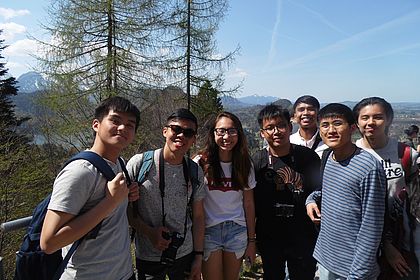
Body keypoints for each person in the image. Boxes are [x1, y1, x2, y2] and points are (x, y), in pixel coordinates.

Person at [40, 96, 141, 280]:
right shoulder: (79, 172)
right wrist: (110, 202)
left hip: (123, 273)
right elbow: (49, 242)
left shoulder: (120, 163)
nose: (122, 128)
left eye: (130, 125)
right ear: (96, 125)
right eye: (115, 120)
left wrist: (127, 195)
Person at [306, 103, 387, 280]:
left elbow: (372, 227)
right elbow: (326, 190)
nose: (331, 130)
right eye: (325, 125)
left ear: (352, 128)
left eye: (337, 123)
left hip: (353, 268)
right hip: (326, 258)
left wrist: (358, 274)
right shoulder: (328, 156)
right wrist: (311, 200)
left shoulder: (368, 167)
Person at [126, 108, 206, 280]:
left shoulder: (194, 171)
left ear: (193, 139)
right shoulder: (140, 164)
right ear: (165, 131)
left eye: (188, 132)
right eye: (176, 129)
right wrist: (149, 232)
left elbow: (198, 217)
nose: (181, 136)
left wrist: (198, 257)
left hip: (185, 252)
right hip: (148, 255)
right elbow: (125, 211)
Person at [352, 97, 420, 279]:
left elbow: (415, 199)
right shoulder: (350, 154)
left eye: (378, 117)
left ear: (389, 119)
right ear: (357, 122)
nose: (370, 122)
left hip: (402, 238)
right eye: (364, 117)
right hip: (361, 240)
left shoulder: (405, 154)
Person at [253, 104, 320, 280]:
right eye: (269, 128)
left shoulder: (308, 158)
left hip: (303, 234)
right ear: (262, 133)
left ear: (290, 128)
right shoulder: (256, 162)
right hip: (269, 234)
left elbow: (320, 191)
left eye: (281, 125)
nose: (276, 131)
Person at [194, 112, 256, 280]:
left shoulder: (244, 163)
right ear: (213, 133)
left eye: (231, 131)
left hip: (237, 230)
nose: (226, 136)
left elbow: (249, 204)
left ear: (239, 134)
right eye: (221, 131)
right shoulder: (201, 162)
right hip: (209, 230)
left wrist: (252, 241)